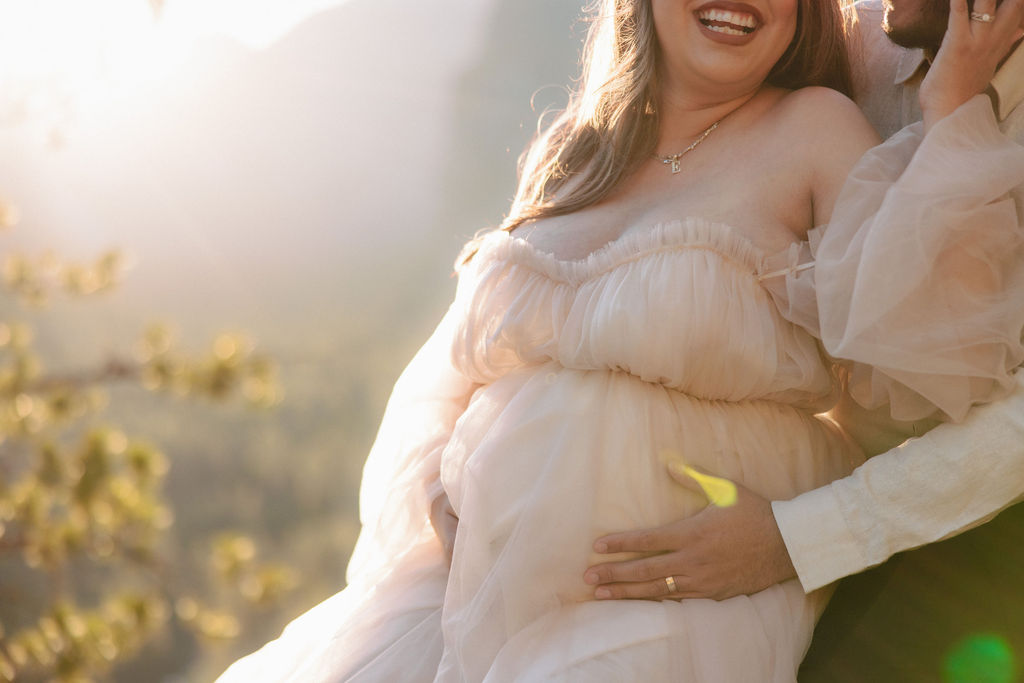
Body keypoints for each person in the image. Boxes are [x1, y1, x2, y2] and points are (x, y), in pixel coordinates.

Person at [218, 0, 1024, 680]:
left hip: (670, 590)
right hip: (468, 579)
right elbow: (452, 364)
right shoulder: (578, 148)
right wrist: (445, 489)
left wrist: (951, 112)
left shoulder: (819, 127)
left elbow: (930, 362)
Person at [585, 0, 1024, 676]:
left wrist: (798, 538)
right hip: (770, 491)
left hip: (976, 541)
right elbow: (642, 190)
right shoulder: (850, 46)